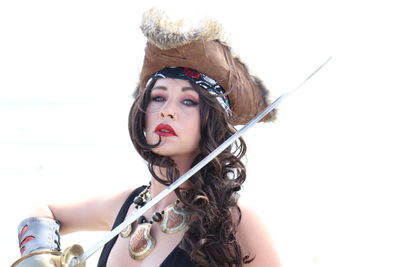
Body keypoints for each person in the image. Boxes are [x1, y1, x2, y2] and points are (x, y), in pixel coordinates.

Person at [14, 8, 281, 267]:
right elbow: (44, 212)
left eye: (188, 101)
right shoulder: (124, 205)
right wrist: (39, 258)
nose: (167, 111)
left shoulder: (234, 221)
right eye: (158, 97)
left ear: (211, 121)